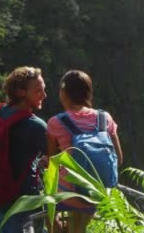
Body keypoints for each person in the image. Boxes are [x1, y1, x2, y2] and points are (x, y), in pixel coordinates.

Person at [47, 69, 123, 233]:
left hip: (68, 194)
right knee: (78, 228)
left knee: (47, 209)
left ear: (64, 92)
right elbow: (118, 158)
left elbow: (52, 162)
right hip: (97, 193)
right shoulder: (105, 118)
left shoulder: (56, 122)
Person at [0, 66, 48, 233]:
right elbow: (54, 161)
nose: (44, 95)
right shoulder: (36, 126)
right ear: (21, 92)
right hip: (26, 200)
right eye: (38, 90)